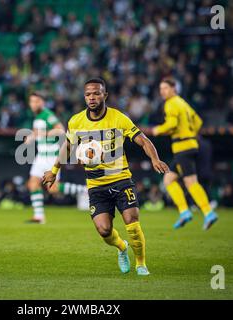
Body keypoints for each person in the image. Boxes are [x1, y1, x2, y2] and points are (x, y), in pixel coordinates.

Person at [42, 78, 169, 276]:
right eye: (88, 94)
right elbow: (67, 147)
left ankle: (141, 264)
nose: (92, 98)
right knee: (104, 231)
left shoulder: (118, 118)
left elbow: (143, 140)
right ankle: (122, 248)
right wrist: (54, 170)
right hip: (96, 185)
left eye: (96, 93)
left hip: (120, 179)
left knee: (132, 220)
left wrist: (154, 159)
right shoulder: (76, 121)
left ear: (105, 95)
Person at [151, 77, 218, 230]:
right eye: (161, 89)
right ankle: (184, 212)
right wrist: (190, 133)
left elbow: (172, 124)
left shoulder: (171, 103)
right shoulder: (183, 103)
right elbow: (198, 122)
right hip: (191, 145)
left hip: (182, 147)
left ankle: (208, 212)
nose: (162, 92)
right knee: (168, 179)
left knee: (190, 182)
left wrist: (158, 130)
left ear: (174, 89)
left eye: (165, 88)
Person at [25, 92, 86, 224]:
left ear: (42, 102)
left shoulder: (48, 115)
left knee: (53, 188)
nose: (33, 104)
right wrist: (32, 137)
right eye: (31, 101)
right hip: (40, 155)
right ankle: (39, 216)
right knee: (33, 184)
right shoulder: (38, 117)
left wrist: (42, 133)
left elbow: (60, 130)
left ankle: (86, 190)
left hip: (50, 156)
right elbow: (38, 133)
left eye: (36, 101)